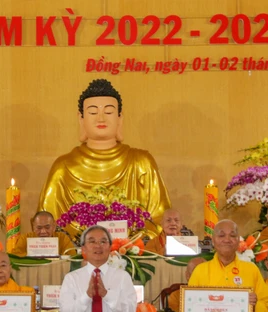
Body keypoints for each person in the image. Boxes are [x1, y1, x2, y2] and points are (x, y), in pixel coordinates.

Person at [38, 79, 171, 236]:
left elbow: (160, 219)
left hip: (132, 246)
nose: (101, 119)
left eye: (108, 112)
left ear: (120, 118)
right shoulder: (63, 167)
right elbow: (46, 225)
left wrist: (131, 242)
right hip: (75, 248)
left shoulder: (141, 163)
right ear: (81, 119)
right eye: (93, 113)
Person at [11, 211, 77, 257]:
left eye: (47, 227)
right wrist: (32, 255)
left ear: (54, 226)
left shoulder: (62, 238)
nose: (43, 231)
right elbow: (15, 256)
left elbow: (72, 256)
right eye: (39, 228)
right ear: (33, 227)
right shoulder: (25, 238)